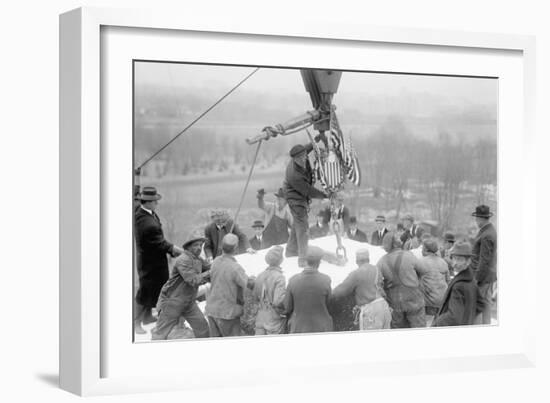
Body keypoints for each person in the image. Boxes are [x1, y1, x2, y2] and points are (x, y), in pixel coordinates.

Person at [134, 186, 184, 334]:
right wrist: (176, 249)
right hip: (150, 264)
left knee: (154, 289)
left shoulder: (147, 214)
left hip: (153, 260)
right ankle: (135, 323)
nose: (157, 203)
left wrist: (171, 250)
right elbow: (160, 243)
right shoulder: (146, 222)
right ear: (148, 202)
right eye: (155, 201)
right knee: (145, 292)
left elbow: (158, 241)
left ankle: (148, 317)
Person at [151, 231, 211, 340]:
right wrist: (210, 273)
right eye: (195, 245)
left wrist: (219, 263)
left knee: (202, 327)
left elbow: (210, 267)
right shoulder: (183, 259)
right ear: (188, 247)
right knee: (160, 333)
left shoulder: (198, 259)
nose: (199, 248)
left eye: (200, 245)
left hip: (189, 302)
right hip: (172, 302)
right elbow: (192, 280)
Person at [283, 143, 328, 267]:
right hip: (294, 197)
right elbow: (308, 190)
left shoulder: (302, 154)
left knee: (298, 223)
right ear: (294, 159)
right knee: (302, 226)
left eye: (304, 156)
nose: (304, 159)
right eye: (300, 158)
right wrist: (324, 195)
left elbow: (308, 148)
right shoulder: (294, 175)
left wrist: (316, 141)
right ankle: (302, 259)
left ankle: (291, 251)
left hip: (300, 194)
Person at [205, 234, 256, 337]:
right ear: (236, 249)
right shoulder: (235, 268)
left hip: (211, 311)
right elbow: (248, 285)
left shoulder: (215, 262)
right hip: (227, 314)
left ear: (221, 247)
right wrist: (255, 280)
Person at [377, 232, 428, 328]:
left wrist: (385, 297)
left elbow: (377, 284)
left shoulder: (381, 262)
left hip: (394, 303)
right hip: (414, 300)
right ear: (396, 243)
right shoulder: (409, 255)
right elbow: (423, 270)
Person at [332, 248, 391, 330]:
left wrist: (329, 292)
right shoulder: (376, 269)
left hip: (371, 311)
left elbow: (341, 291)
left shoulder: (356, 273)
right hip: (384, 307)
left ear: (357, 261)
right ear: (368, 259)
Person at [432, 242, 483, 327]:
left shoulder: (459, 286)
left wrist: (437, 323)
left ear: (468, 261)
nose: (455, 263)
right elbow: (480, 305)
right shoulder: (471, 279)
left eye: (459, 259)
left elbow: (453, 317)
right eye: (454, 258)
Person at [284, 246, 333, 333]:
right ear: (319, 263)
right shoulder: (326, 280)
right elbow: (329, 304)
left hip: (299, 328)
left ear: (306, 261)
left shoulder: (293, 280)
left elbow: (287, 307)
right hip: (322, 328)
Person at [470, 205, 497, 325]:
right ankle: (486, 327)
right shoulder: (489, 230)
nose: (475, 221)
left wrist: (476, 279)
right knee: (485, 304)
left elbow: (484, 260)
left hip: (483, 277)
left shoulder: (487, 234)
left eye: (476, 218)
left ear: (482, 218)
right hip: (488, 275)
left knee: (477, 305)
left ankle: (478, 330)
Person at [252, 246, 287, 335]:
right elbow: (277, 301)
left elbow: (255, 297)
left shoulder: (260, 275)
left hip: (260, 318)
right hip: (273, 320)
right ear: (281, 260)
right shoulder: (279, 277)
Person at [419, 238, 450, 325]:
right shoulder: (443, 262)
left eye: (422, 248)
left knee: (427, 326)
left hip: (428, 304)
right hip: (443, 303)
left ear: (425, 250)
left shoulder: (420, 262)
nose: (421, 250)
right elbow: (448, 282)